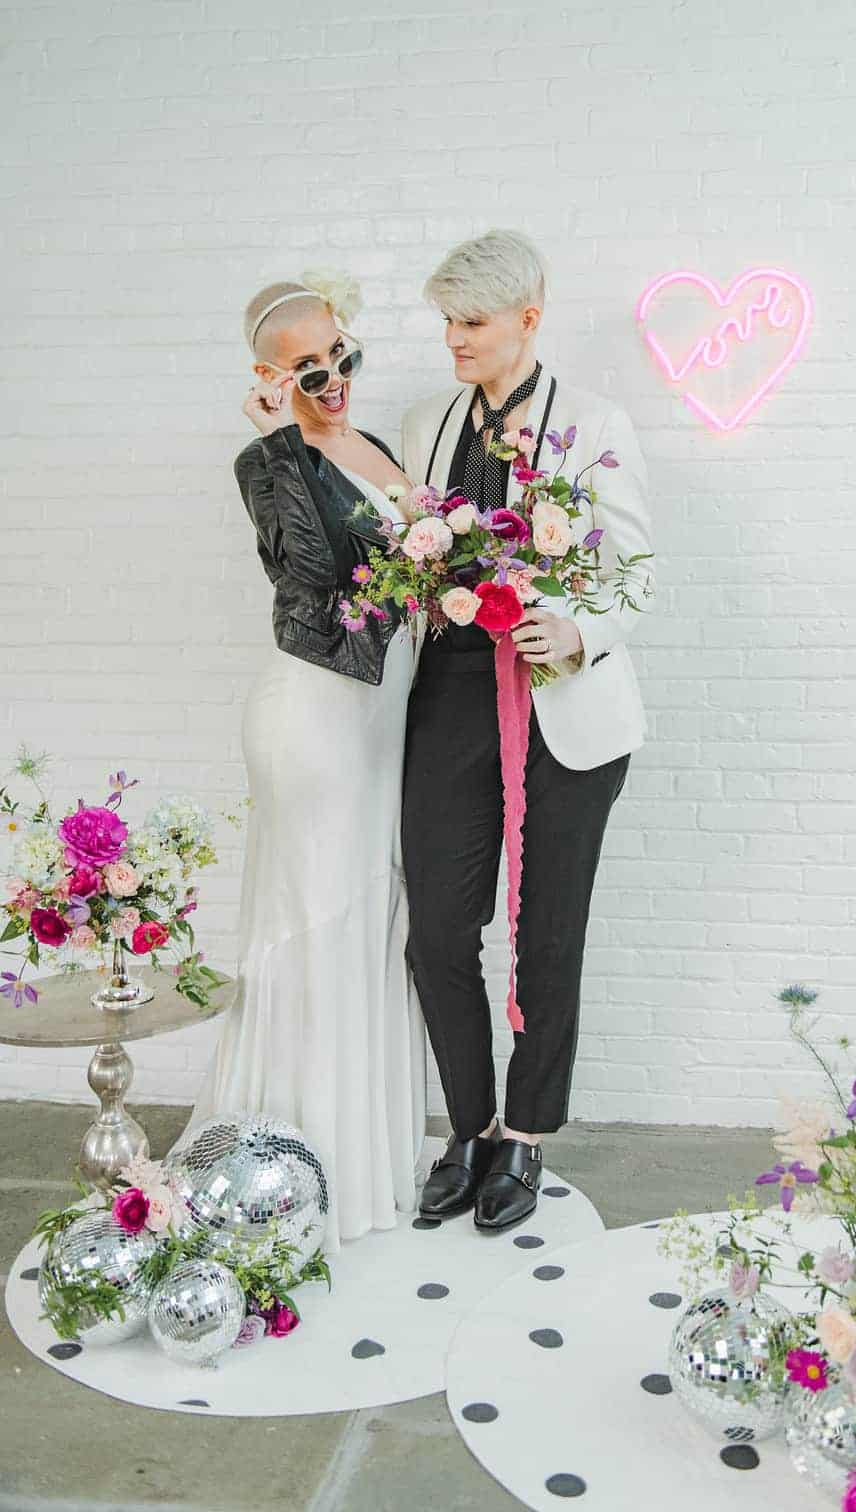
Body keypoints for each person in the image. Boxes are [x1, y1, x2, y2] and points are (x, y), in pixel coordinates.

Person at [400, 229, 653, 1232]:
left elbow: (635, 568)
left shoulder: (593, 423)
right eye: (446, 322)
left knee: (548, 934)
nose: (453, 340)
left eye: (471, 322)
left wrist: (580, 629)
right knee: (436, 930)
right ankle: (468, 1128)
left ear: (528, 319)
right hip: (449, 693)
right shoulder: (424, 423)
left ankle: (526, 1134)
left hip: (564, 702)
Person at [178, 277, 426, 1253]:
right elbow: (313, 573)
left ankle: (365, 1163)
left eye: (342, 357)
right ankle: (293, 1173)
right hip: (313, 720)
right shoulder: (265, 461)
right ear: (271, 378)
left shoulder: (380, 445)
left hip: (380, 722)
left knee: (369, 918)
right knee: (318, 919)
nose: (335, 381)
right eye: (310, 370)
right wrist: (284, 439)